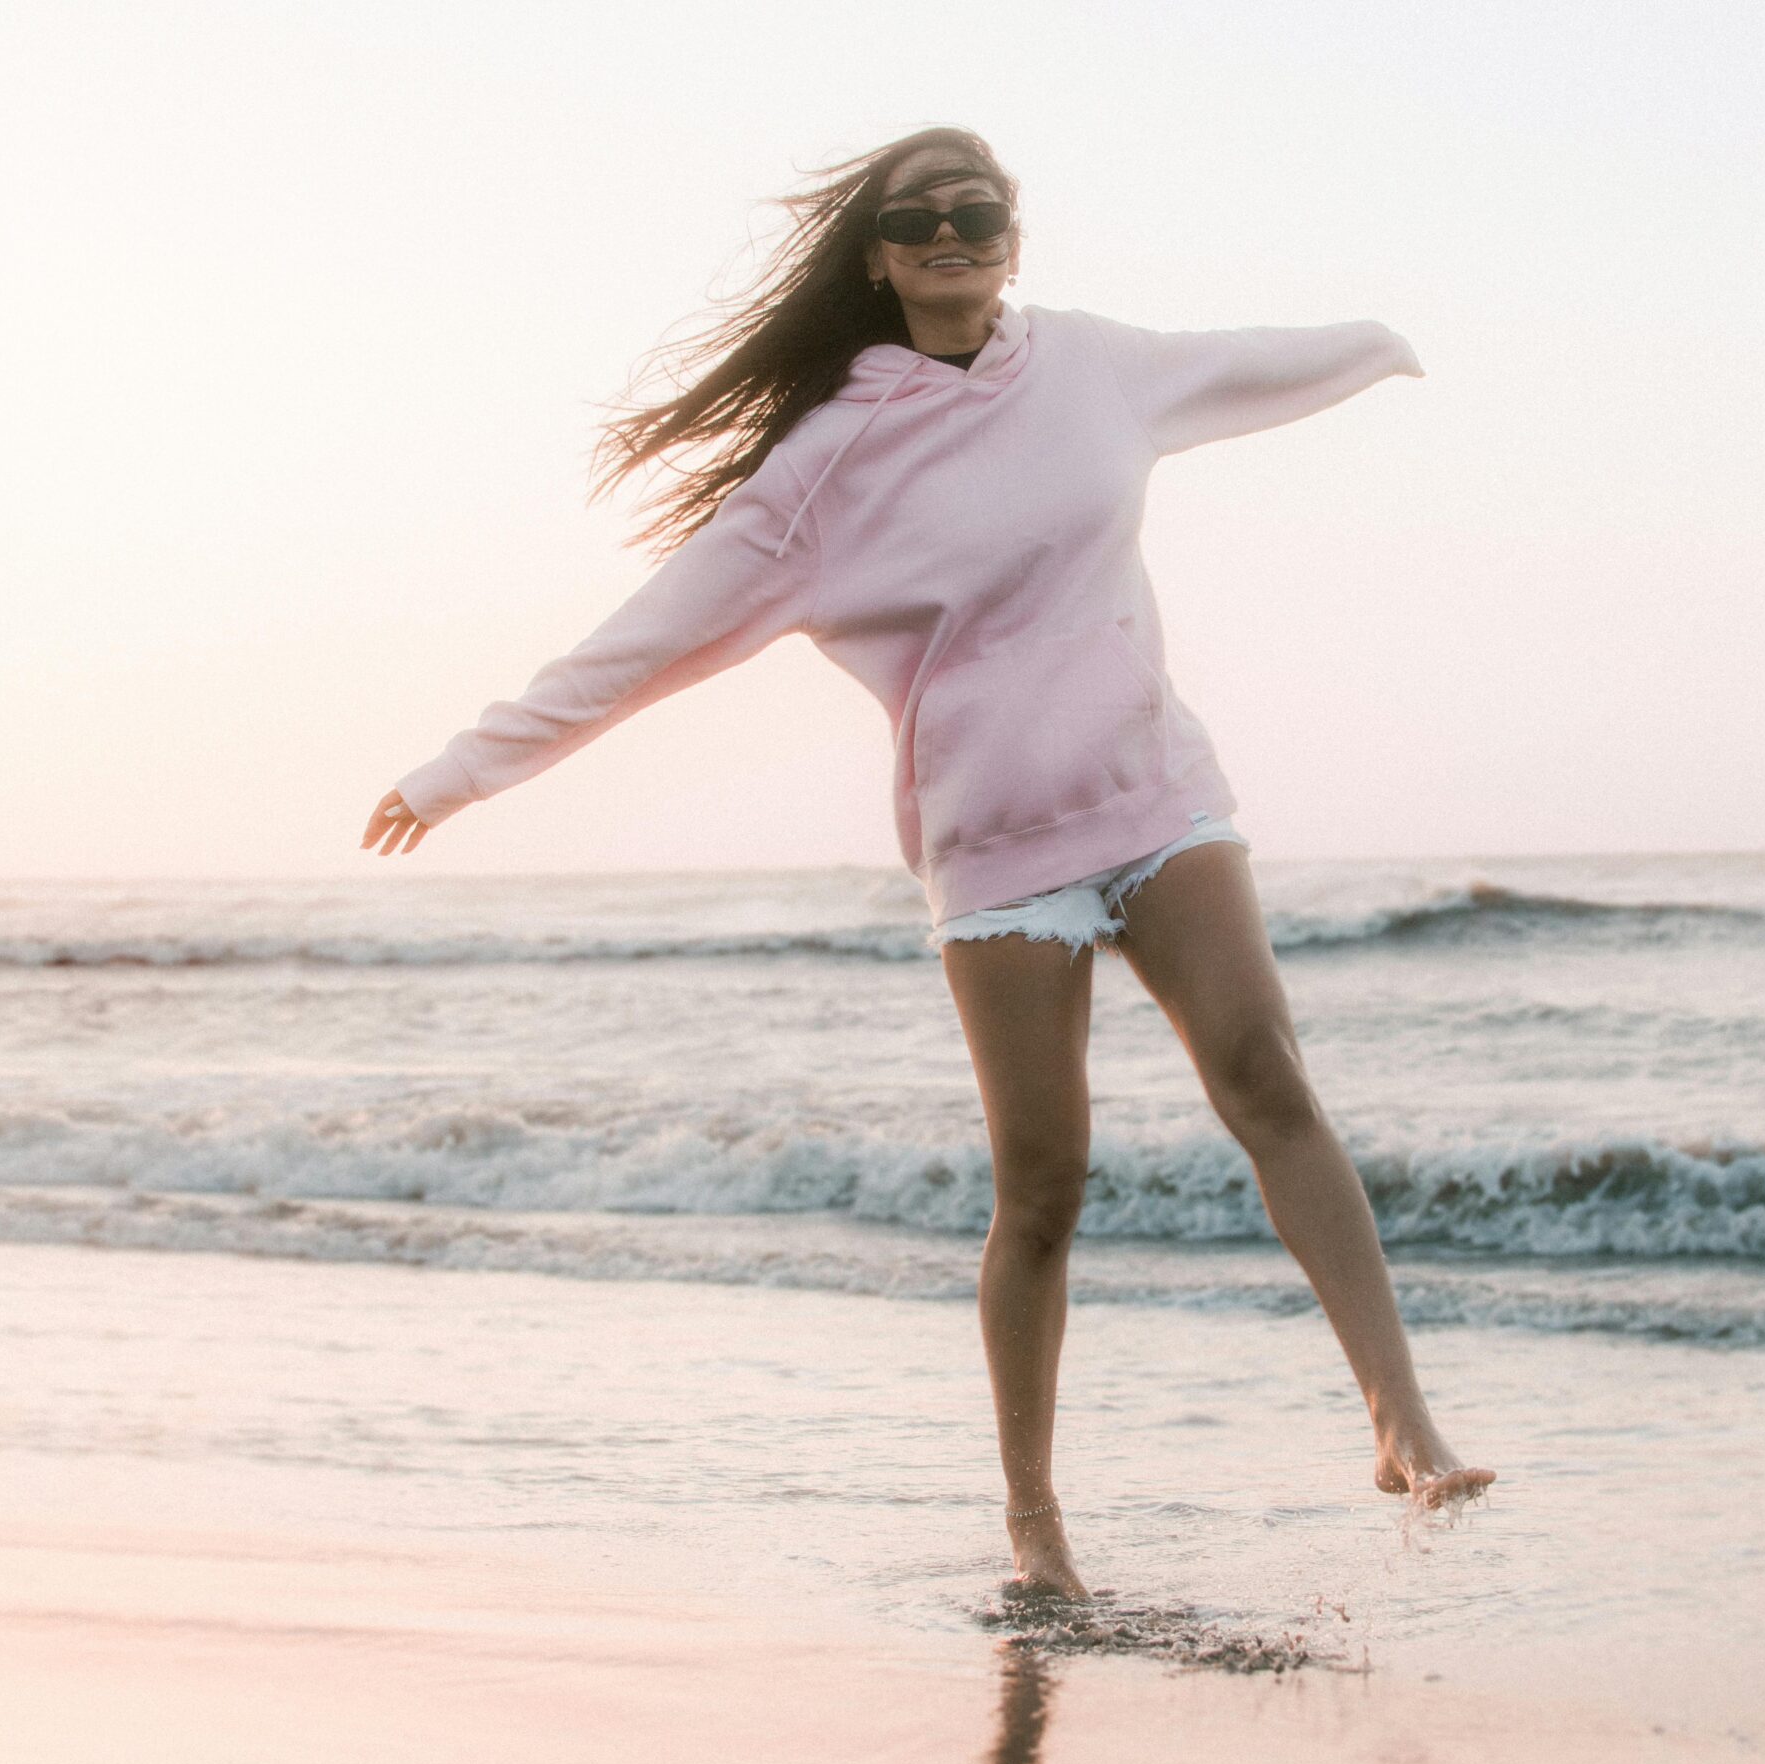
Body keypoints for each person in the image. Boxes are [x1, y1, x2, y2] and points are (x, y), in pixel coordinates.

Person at [364, 126, 1494, 1598]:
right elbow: (644, 644)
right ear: (879, 257)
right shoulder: (823, 467)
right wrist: (462, 771)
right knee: (1044, 1185)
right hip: (996, 852)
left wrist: (1380, 343)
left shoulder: (1091, 365)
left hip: (1156, 793)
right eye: (918, 217)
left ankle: (1402, 1423)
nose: (951, 232)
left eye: (978, 209)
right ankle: (1034, 1518)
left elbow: (1244, 362)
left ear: (1012, 235)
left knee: (1267, 1075)